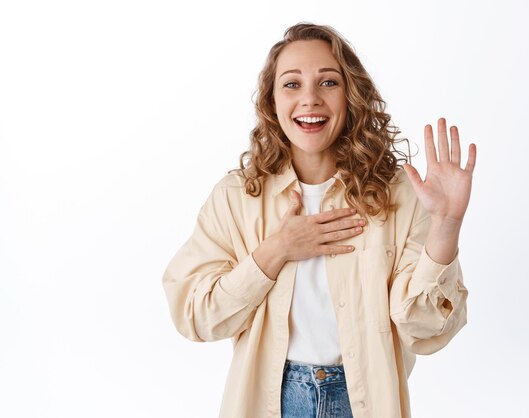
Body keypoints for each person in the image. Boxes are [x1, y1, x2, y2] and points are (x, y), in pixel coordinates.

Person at [162, 22, 476, 418]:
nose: (309, 99)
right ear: (271, 101)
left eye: (328, 82)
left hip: (363, 399)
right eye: (291, 84)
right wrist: (276, 250)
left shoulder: (397, 194)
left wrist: (447, 225)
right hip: (272, 400)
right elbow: (194, 314)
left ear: (351, 94)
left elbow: (425, 329)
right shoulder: (237, 197)